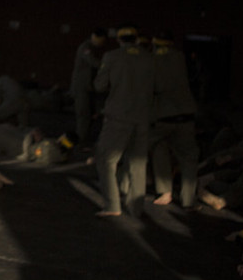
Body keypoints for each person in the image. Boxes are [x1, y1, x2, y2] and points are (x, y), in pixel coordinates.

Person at [93, 25, 154, 218]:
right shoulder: (150, 58)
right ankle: (136, 208)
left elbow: (99, 86)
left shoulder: (112, 57)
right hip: (143, 117)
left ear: (119, 40)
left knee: (106, 160)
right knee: (137, 163)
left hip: (119, 117)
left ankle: (112, 205)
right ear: (136, 39)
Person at [148, 32, 200, 210]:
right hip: (186, 115)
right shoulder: (181, 58)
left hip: (162, 116)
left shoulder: (151, 60)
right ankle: (188, 200)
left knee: (158, 148)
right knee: (188, 158)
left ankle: (165, 192)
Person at [70, 28, 106, 148]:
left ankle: (83, 139)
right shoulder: (85, 47)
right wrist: (109, 65)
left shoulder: (92, 48)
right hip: (81, 87)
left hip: (88, 87)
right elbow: (93, 62)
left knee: (89, 115)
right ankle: (80, 141)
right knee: (83, 115)